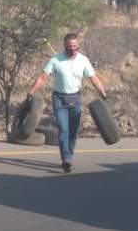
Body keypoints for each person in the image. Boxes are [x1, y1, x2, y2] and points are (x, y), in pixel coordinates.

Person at [26, 33, 107, 173]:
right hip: (59, 98)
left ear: (78, 46)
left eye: (75, 46)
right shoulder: (56, 59)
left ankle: (69, 152)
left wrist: (104, 94)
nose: (72, 49)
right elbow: (42, 77)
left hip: (75, 98)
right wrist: (30, 93)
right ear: (64, 46)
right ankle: (66, 159)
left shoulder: (83, 60)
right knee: (63, 128)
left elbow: (94, 78)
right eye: (69, 46)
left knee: (73, 131)